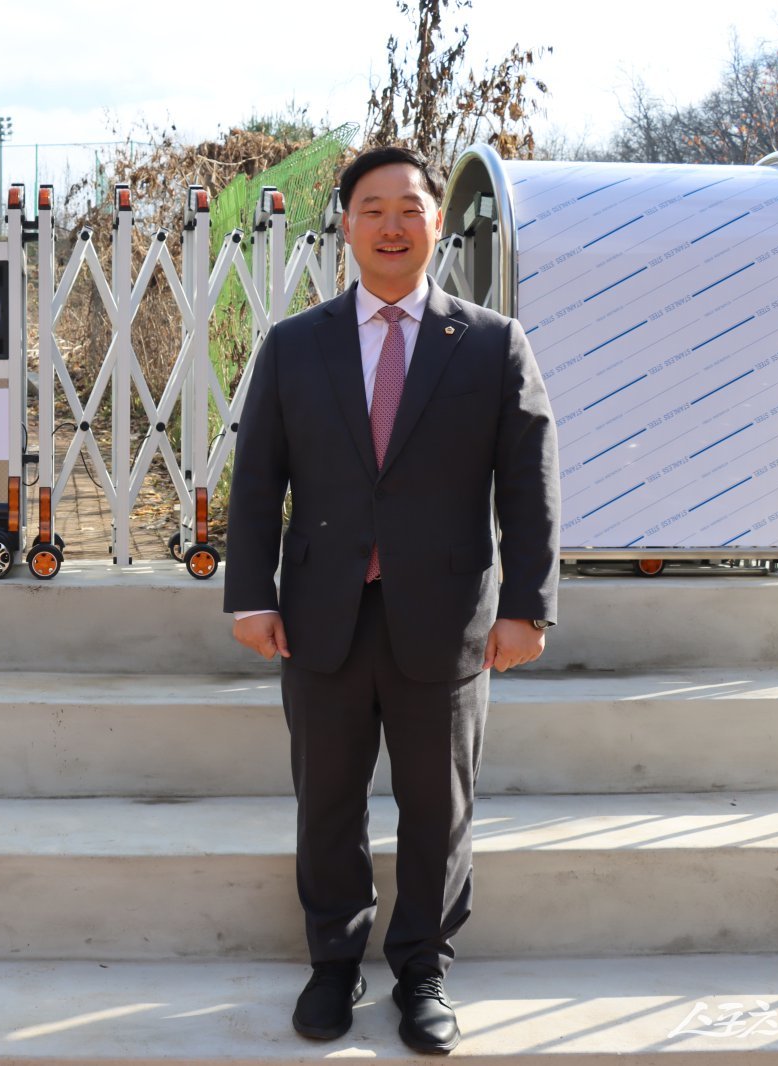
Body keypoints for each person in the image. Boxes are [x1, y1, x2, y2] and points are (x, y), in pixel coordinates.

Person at [223, 144, 559, 1054]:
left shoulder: (490, 345)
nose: (392, 225)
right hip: (322, 616)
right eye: (373, 208)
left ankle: (421, 971)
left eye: (410, 207)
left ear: (436, 223)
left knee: (437, 805)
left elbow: (528, 483)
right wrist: (249, 595)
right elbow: (258, 482)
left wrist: (528, 606)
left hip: (447, 620)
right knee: (326, 801)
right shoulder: (295, 346)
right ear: (346, 223)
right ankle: (332, 965)